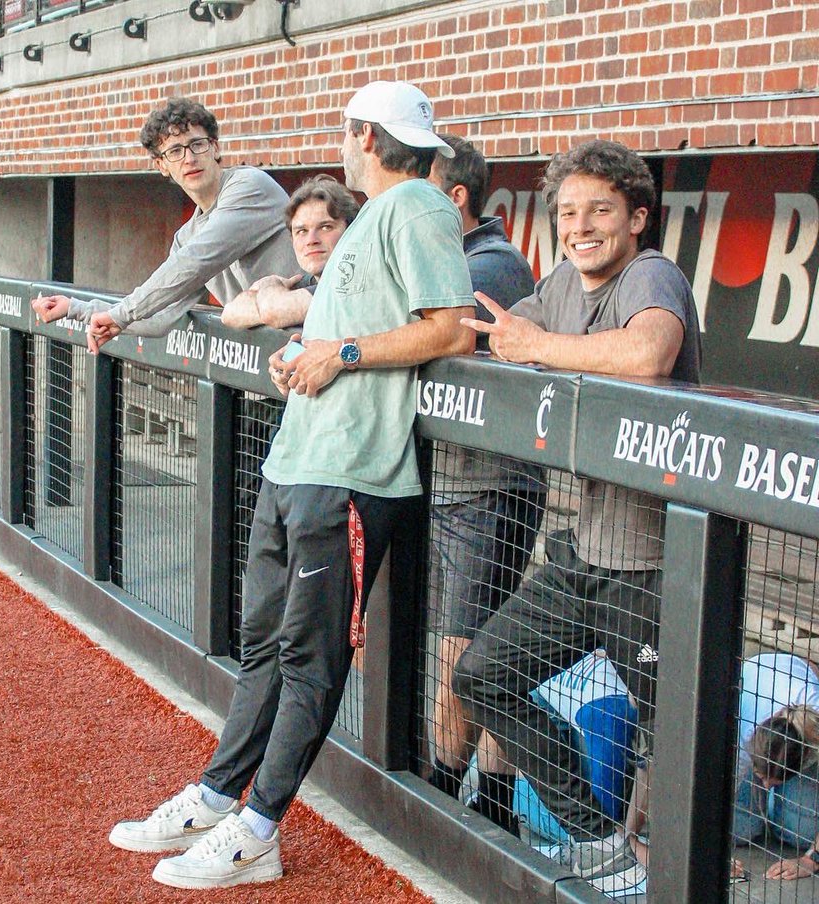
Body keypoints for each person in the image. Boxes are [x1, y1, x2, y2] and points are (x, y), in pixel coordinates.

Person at [107, 81, 475, 889]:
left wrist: (337, 355)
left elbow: (449, 325)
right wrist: (305, 349)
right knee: (264, 649)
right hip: (298, 459)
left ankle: (260, 827)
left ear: (366, 138)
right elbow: (345, 326)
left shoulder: (416, 205)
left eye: (348, 133)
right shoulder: (376, 216)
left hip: (350, 472)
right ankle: (214, 796)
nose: (342, 145)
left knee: (308, 661)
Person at [452, 139, 702, 895]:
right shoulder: (561, 279)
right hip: (583, 554)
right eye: (567, 212)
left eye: (599, 210)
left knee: (674, 733)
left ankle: (663, 867)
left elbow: (650, 352)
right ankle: (601, 842)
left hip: (659, 561)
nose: (581, 225)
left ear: (637, 217)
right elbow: (483, 332)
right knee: (482, 677)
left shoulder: (651, 272)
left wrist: (539, 346)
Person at [422, 134, 544, 835]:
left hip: (491, 486)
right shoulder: (452, 255)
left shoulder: (491, 263)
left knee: (463, 651)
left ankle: (446, 793)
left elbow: (427, 333)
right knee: (478, 649)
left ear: (456, 197)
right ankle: (493, 804)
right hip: (453, 483)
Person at [32, 97, 300, 349]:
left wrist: (120, 314)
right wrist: (75, 308)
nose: (189, 158)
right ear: (161, 165)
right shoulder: (186, 237)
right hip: (273, 366)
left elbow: (199, 260)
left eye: (197, 144)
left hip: (316, 343)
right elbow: (160, 316)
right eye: (175, 151)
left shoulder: (249, 185)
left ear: (215, 147)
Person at [220, 174, 359, 330]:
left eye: (326, 227)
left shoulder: (356, 283)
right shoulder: (304, 283)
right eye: (301, 231)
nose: (311, 240)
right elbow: (229, 314)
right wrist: (272, 301)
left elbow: (273, 312)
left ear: (351, 231)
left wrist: (270, 285)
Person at [731, 653, 819, 881]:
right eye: (762, 776)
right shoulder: (746, 731)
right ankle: (772, 804)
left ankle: (781, 807)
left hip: (805, 726)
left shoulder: (816, 725)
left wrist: (812, 859)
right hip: (758, 678)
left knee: (799, 834)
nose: (767, 785)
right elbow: (717, 795)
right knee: (740, 831)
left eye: (776, 782)